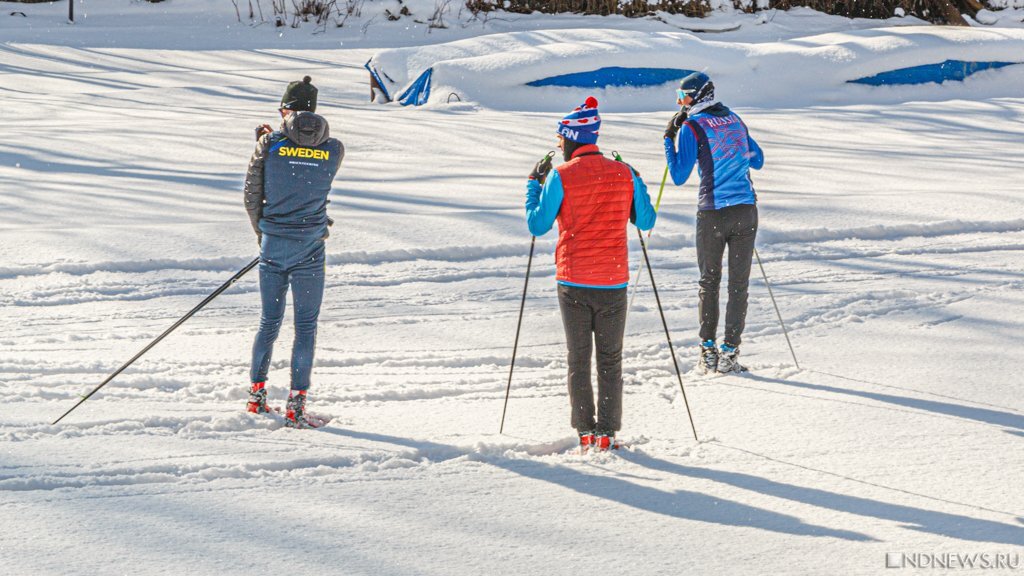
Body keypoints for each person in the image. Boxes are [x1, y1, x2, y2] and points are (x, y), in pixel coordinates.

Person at [526, 96, 657, 452]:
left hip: (573, 281)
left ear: (571, 139)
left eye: (560, 141)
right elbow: (645, 220)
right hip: (613, 281)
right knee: (610, 359)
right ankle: (607, 434)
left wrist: (532, 186)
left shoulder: (561, 175)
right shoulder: (623, 172)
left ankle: (585, 431)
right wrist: (637, 179)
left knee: (579, 357)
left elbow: (537, 224)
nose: (560, 147)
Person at [243, 77, 343, 427]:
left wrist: (265, 235)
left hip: (273, 245)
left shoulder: (269, 144)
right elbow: (306, 181)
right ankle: (296, 406)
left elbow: (253, 194)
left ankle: (256, 396)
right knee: (305, 327)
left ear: (286, 108)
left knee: (269, 322)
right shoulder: (335, 149)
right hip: (310, 249)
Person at [663, 72, 764, 374]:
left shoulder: (692, 127)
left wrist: (669, 139)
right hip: (745, 211)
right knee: (738, 284)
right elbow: (757, 160)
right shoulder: (734, 119)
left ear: (699, 96)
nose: (681, 103)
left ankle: (708, 350)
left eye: (684, 97)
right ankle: (730, 352)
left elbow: (679, 175)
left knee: (710, 281)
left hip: (713, 213)